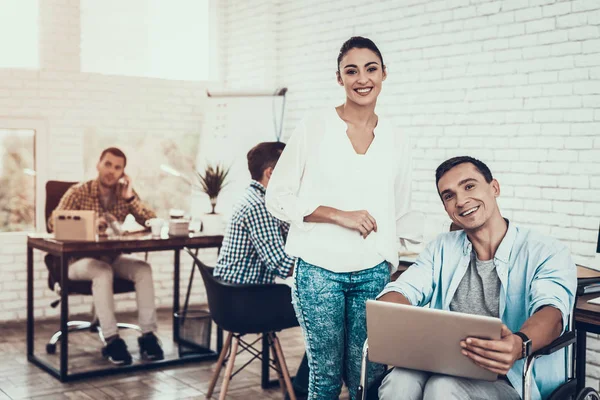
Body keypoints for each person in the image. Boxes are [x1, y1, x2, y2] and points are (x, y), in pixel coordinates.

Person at [266, 36, 413, 400]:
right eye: (351, 70)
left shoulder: (396, 137)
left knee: (368, 377)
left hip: (374, 271)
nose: (362, 78)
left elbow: (403, 208)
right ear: (339, 78)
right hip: (319, 270)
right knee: (327, 377)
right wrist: (337, 215)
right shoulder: (314, 127)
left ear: (384, 74)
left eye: (370, 69)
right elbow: (278, 197)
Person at [377, 156, 577, 400]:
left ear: (494, 188)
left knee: (442, 387)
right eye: (449, 196)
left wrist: (518, 344)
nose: (461, 201)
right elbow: (404, 288)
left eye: (469, 186)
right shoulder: (441, 248)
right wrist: (387, 314)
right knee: (399, 381)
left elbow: (552, 314)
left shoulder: (546, 250)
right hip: (445, 364)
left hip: (510, 379)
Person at [48, 147, 164, 365]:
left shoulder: (123, 194)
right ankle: (112, 340)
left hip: (111, 258)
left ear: (123, 173)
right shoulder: (78, 192)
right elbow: (53, 223)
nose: (112, 171)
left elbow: (151, 220)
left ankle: (148, 336)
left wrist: (130, 197)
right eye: (108, 164)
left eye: (118, 167)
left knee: (143, 270)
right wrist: (89, 224)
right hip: (76, 262)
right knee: (102, 272)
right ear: (98, 165)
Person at [214, 141, 309, 399]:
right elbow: (282, 263)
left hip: (233, 299)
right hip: (245, 304)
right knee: (328, 312)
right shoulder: (260, 205)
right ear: (270, 173)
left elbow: (290, 238)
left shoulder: (259, 199)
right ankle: (303, 388)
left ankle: (303, 384)